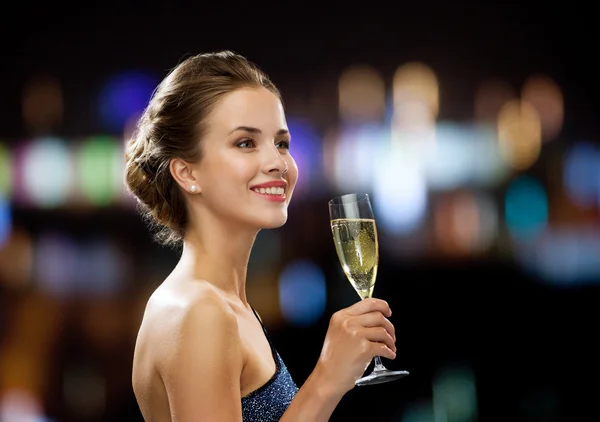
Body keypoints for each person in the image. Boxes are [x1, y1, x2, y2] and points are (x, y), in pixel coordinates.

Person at [125, 50, 398, 422]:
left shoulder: (223, 305)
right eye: (245, 143)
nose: (278, 163)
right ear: (188, 173)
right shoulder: (199, 314)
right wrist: (328, 378)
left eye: (281, 143)